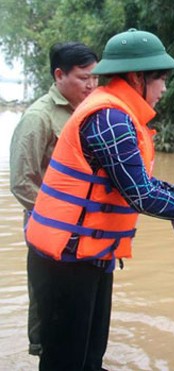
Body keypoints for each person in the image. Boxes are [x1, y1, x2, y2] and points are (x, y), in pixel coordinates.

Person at [23, 28, 174, 370]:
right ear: (136, 77)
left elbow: (141, 183)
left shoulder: (118, 115)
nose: (164, 89)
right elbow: (140, 194)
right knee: (65, 361)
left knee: (88, 359)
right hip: (67, 260)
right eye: (160, 79)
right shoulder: (110, 118)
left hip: (89, 256)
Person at [9, 41, 99, 356]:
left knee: (83, 317)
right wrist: (64, 217)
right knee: (51, 311)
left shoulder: (92, 112)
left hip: (88, 235)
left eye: (95, 77)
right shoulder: (39, 117)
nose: (91, 84)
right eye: (83, 77)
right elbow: (22, 183)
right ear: (59, 75)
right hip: (51, 233)